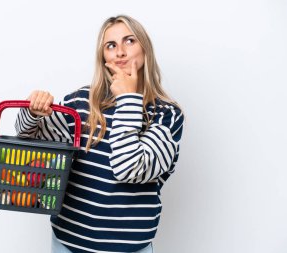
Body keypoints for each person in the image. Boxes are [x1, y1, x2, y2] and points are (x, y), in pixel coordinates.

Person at [15, 14, 184, 253]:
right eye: (111, 45)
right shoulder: (81, 103)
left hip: (129, 249)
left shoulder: (167, 115)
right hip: (67, 244)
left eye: (130, 41)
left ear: (145, 49)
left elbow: (128, 169)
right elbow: (28, 136)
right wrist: (34, 112)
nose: (120, 52)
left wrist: (128, 98)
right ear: (103, 56)